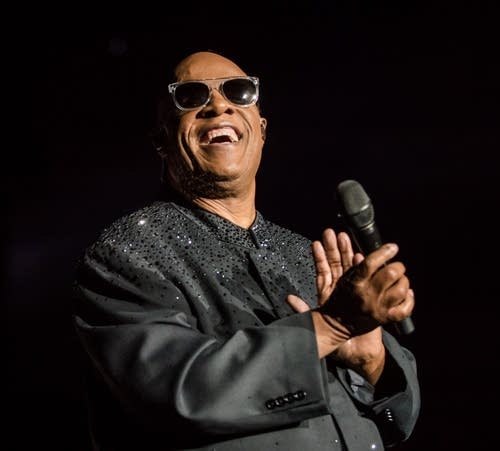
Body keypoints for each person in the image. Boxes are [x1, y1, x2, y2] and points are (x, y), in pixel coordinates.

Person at [72, 50, 420, 451]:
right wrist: (330, 327)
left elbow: (398, 420)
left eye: (238, 93)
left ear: (262, 129)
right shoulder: (127, 253)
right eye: (191, 97)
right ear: (161, 141)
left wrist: (371, 361)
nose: (218, 105)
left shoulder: (306, 255)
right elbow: (178, 393)